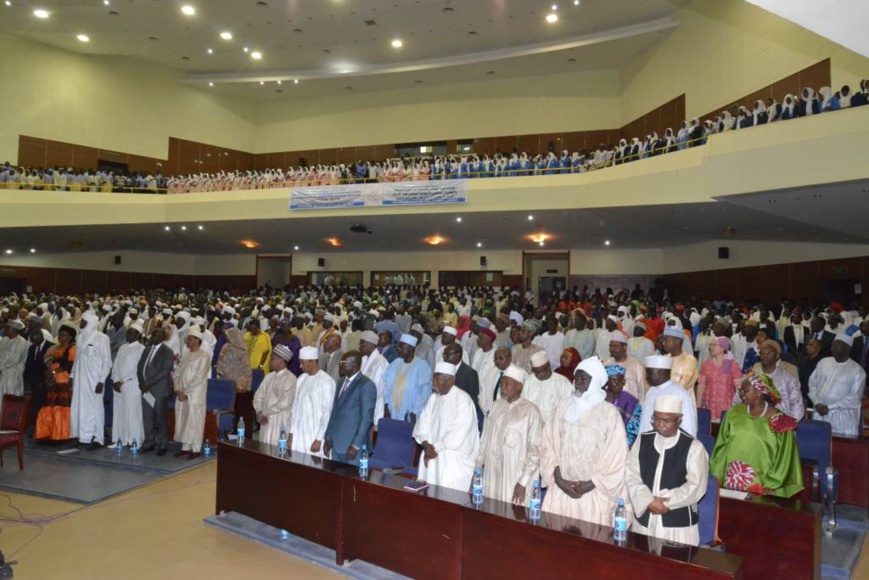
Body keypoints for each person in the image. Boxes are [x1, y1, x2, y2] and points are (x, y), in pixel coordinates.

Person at [540, 357, 629, 526]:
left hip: (592, 495)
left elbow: (616, 457)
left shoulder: (609, 414)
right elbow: (547, 444)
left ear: (595, 382)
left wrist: (591, 483)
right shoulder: (562, 407)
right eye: (577, 377)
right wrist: (557, 476)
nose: (578, 382)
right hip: (561, 490)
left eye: (584, 378)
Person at [626, 395, 709, 547]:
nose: (659, 424)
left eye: (667, 420)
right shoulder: (642, 440)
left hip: (677, 526)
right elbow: (631, 473)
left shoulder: (694, 447)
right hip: (644, 521)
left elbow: (696, 486)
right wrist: (648, 500)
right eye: (656, 418)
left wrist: (666, 501)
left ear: (680, 419)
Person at [710, 372, 803, 498]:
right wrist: (717, 476)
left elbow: (785, 458)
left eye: (745, 390)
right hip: (732, 482)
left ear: (759, 391)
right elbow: (721, 447)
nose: (741, 394)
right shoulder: (733, 414)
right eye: (740, 390)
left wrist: (771, 485)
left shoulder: (780, 421)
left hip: (763, 486)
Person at [475, 364, 543, 504]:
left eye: (507, 383)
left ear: (519, 386)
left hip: (515, 475)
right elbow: (484, 440)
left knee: (512, 518)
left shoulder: (531, 412)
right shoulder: (495, 406)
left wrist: (523, 482)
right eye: (501, 383)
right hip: (492, 472)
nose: (502, 387)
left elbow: (535, 451)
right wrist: (477, 468)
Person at [413, 362, 480, 491]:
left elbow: (456, 436)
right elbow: (423, 423)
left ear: (450, 381)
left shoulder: (463, 400)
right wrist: (426, 445)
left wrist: (433, 449)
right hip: (432, 454)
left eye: (437, 380)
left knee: (449, 502)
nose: (433, 383)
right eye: (433, 379)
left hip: (453, 459)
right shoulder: (434, 398)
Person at [323, 350, 376, 465]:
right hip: (336, 443)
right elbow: (335, 412)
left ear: (354, 365)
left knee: (353, 481)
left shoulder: (366, 385)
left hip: (353, 446)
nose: (339, 364)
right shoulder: (341, 382)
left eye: (343, 362)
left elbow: (366, 419)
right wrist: (328, 437)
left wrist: (356, 445)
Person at [809, 334, 866, 437]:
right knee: (817, 445)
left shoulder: (857, 371)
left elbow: (854, 398)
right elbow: (812, 383)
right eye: (832, 346)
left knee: (840, 449)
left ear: (847, 348)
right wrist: (817, 403)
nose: (832, 348)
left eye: (837, 346)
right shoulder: (823, 362)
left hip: (842, 417)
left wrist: (829, 407)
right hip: (819, 413)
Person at [70, 311, 113, 450]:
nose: (81, 323)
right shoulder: (80, 337)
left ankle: (97, 438)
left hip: (94, 380)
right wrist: (72, 376)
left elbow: (107, 361)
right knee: (81, 406)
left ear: (91, 323)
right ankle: (84, 436)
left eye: (83, 322)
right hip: (80, 379)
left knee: (95, 407)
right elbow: (76, 359)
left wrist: (101, 380)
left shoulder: (101, 338)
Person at [289, 346, 335, 456]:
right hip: (299, 431)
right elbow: (295, 408)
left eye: (302, 363)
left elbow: (326, 412)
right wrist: (291, 432)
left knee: (315, 467)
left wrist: (319, 439)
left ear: (313, 362)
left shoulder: (326, 381)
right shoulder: (301, 379)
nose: (300, 366)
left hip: (315, 432)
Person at [34, 323, 76, 441]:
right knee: (50, 405)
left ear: (70, 337)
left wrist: (53, 373)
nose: (61, 337)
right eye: (60, 335)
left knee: (62, 406)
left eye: (64, 335)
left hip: (64, 381)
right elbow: (46, 363)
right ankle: (49, 432)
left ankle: (62, 433)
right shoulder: (54, 348)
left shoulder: (73, 348)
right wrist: (48, 374)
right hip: (53, 382)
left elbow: (69, 365)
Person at [174, 328, 211, 459]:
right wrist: (177, 389)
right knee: (183, 418)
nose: (187, 342)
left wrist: (186, 392)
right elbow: (177, 373)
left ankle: (196, 448)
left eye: (189, 339)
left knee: (195, 419)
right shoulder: (186, 355)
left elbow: (199, 377)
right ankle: (185, 447)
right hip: (182, 392)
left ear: (197, 340)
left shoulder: (204, 356)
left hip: (195, 394)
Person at [137, 327, 175, 456]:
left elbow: (165, 371)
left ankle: (162, 444)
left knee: (160, 419)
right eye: (153, 334)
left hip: (159, 390)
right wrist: (141, 382)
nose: (153, 336)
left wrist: (147, 383)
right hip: (145, 389)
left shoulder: (167, 351)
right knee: (147, 418)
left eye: (157, 334)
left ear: (163, 337)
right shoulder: (146, 350)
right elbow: (140, 367)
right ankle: (149, 442)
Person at [639, 355, 697, 437]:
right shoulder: (651, 391)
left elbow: (689, 427)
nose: (646, 377)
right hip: (647, 443)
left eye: (650, 373)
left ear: (662, 372)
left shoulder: (680, 394)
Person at [748, 340, 804, 421]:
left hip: (780, 424)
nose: (765, 356)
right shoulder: (752, 376)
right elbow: (738, 400)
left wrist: (785, 426)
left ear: (777, 356)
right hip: (754, 423)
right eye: (762, 353)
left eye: (770, 353)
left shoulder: (788, 379)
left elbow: (797, 408)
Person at [253, 344, 297, 446]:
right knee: (263, 451)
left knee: (278, 454)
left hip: (280, 421)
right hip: (265, 421)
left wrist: (264, 412)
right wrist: (259, 411)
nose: (269, 361)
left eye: (272, 358)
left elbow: (285, 403)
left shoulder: (290, 378)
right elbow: (257, 396)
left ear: (281, 360)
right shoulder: (268, 377)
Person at [382, 334, 432, 423]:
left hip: (410, 414)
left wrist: (414, 413)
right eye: (399, 345)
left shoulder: (421, 366)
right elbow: (387, 387)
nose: (398, 348)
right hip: (392, 411)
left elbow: (425, 393)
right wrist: (386, 406)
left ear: (411, 349)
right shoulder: (396, 363)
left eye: (402, 346)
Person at [110, 322, 145, 448]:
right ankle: (121, 439)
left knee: (133, 414)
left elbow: (137, 369)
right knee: (120, 413)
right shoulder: (122, 347)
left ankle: (135, 441)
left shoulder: (140, 349)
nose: (127, 334)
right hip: (118, 385)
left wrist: (122, 381)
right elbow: (116, 365)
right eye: (127, 332)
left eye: (130, 332)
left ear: (138, 335)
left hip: (132, 384)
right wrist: (115, 380)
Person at [696, 336, 741, 422]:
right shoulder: (706, 364)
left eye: (714, 345)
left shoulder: (733, 365)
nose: (710, 347)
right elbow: (701, 385)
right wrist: (698, 405)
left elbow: (738, 387)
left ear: (722, 347)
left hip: (727, 406)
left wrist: (737, 405)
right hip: (710, 405)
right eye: (710, 345)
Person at [522, 350, 573, 422]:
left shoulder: (563, 382)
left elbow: (568, 408)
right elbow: (524, 405)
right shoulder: (529, 381)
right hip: (533, 424)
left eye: (542, 371)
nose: (539, 375)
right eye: (536, 372)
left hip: (554, 426)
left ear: (549, 365)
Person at [605, 364, 642, 446]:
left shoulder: (630, 401)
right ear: (606, 380)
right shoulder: (597, 399)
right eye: (615, 381)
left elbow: (633, 431)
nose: (620, 384)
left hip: (620, 446)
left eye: (622, 381)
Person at [603, 330, 646, 401]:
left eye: (615, 346)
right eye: (610, 346)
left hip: (631, 407)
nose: (612, 349)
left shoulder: (637, 365)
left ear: (624, 347)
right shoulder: (606, 363)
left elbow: (642, 390)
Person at [24, 322, 53, 425]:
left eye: (36, 342)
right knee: (36, 404)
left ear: (40, 338)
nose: (34, 344)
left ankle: (43, 426)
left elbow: (49, 366)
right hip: (34, 382)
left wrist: (42, 381)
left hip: (45, 382)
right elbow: (29, 364)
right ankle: (36, 426)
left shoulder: (51, 347)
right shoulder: (32, 348)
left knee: (44, 405)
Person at [443, 343, 482, 420]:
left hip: (461, 415)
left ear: (458, 355)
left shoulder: (470, 373)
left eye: (448, 354)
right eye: (444, 355)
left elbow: (473, 398)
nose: (445, 358)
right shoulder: (445, 370)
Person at [359, 330, 389, 426]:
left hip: (373, 406)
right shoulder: (363, 359)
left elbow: (378, 390)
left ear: (371, 345)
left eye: (362, 344)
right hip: (361, 404)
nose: (359, 346)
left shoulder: (380, 362)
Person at [661, 326, 698, 397]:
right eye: (663, 340)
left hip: (683, 403)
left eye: (666, 340)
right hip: (663, 402)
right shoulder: (663, 359)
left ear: (677, 341)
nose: (663, 343)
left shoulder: (689, 360)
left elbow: (683, 385)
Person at [0, 319, 28, 410]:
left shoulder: (22, 342)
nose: (5, 329)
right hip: (2, 374)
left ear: (14, 329)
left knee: (10, 399)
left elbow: (13, 360)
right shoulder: (4, 339)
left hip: (13, 375)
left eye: (7, 328)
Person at [216, 327, 252, 393]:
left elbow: (246, 369)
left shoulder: (243, 350)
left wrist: (240, 384)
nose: (226, 338)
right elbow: (220, 362)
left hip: (240, 384)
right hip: (225, 380)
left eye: (228, 336)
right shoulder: (225, 347)